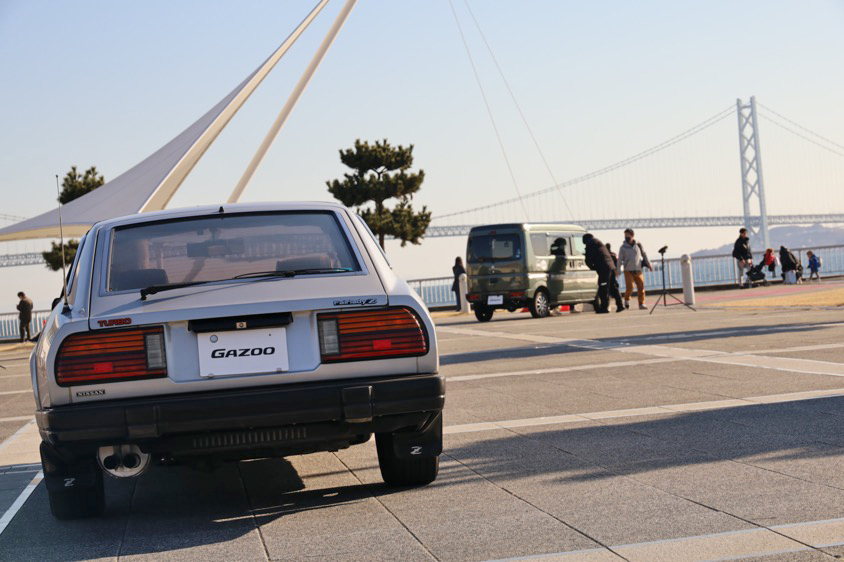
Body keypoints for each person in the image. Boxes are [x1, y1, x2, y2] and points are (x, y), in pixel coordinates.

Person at [583, 233, 624, 314]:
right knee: (613, 286)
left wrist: (592, 267)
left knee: (603, 288)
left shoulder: (590, 244)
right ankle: (620, 305)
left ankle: (604, 308)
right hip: (611, 266)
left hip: (603, 268)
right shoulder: (599, 243)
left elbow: (588, 259)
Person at [617, 228, 652, 310]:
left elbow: (644, 254)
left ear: (632, 235)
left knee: (641, 287)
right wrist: (618, 270)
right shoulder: (623, 247)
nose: (626, 237)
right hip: (628, 270)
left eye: (627, 235)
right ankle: (626, 300)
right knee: (630, 287)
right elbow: (620, 259)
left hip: (638, 269)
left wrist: (649, 265)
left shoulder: (638, 245)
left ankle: (641, 303)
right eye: (625, 235)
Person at [605, 243, 625, 312]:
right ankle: (620, 305)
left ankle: (608, 306)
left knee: (607, 290)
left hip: (607, 274)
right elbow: (618, 263)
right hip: (613, 273)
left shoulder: (606, 255)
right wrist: (617, 271)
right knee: (615, 290)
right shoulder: (614, 255)